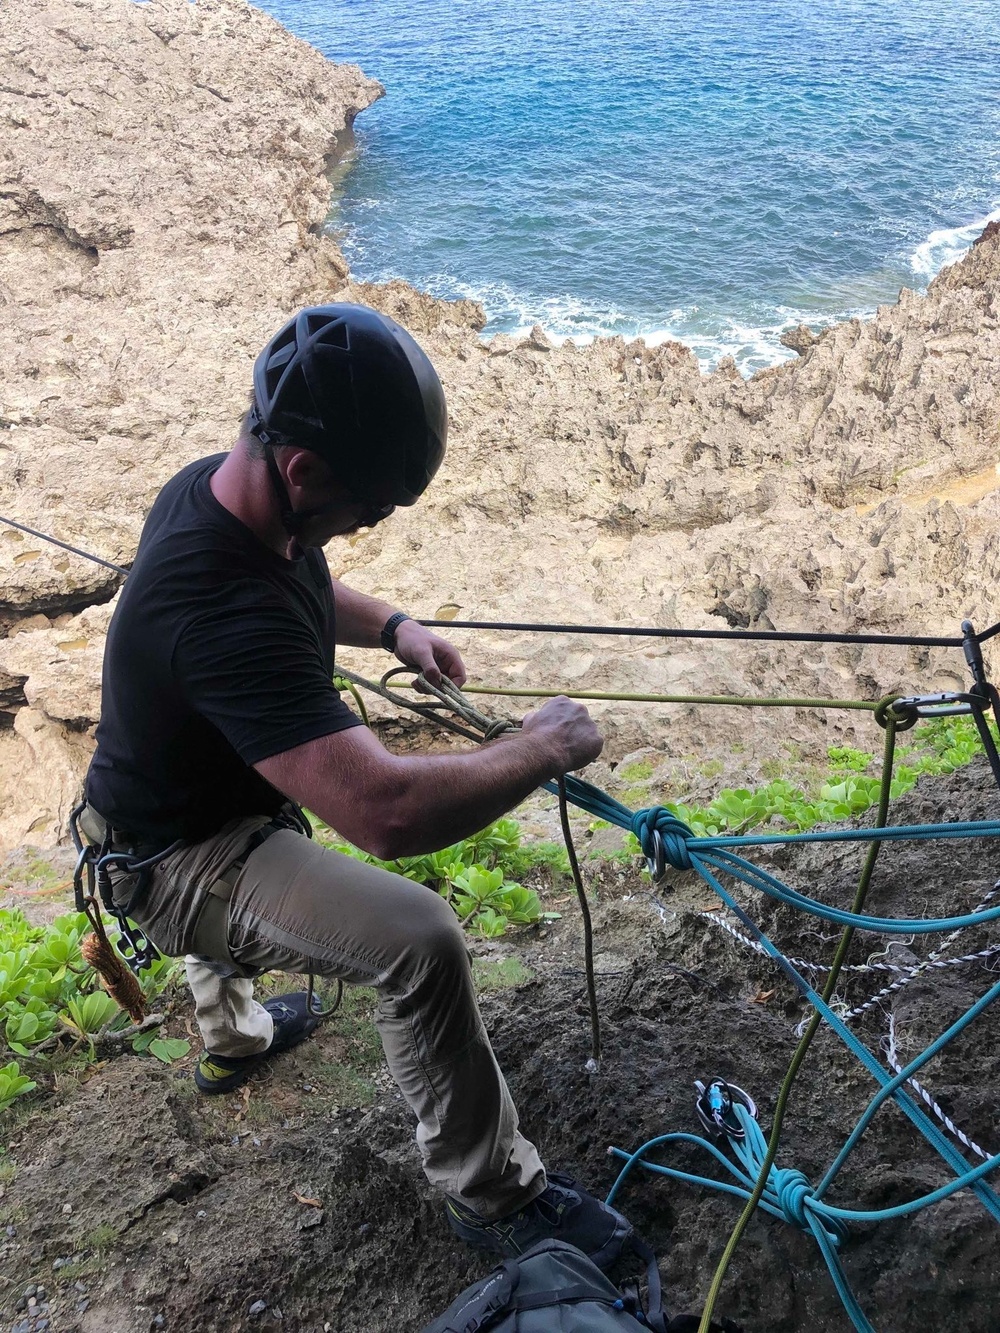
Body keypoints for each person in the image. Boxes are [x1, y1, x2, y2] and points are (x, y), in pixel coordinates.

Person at [81, 303, 632, 1269]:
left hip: (158, 805)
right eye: (369, 505)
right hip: (176, 862)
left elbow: (301, 578)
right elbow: (386, 812)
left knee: (259, 809)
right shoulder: (217, 610)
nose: (369, 522)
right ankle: (491, 1192)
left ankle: (235, 1039)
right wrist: (539, 744)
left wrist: (393, 627)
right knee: (418, 941)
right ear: (301, 471)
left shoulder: (219, 496)